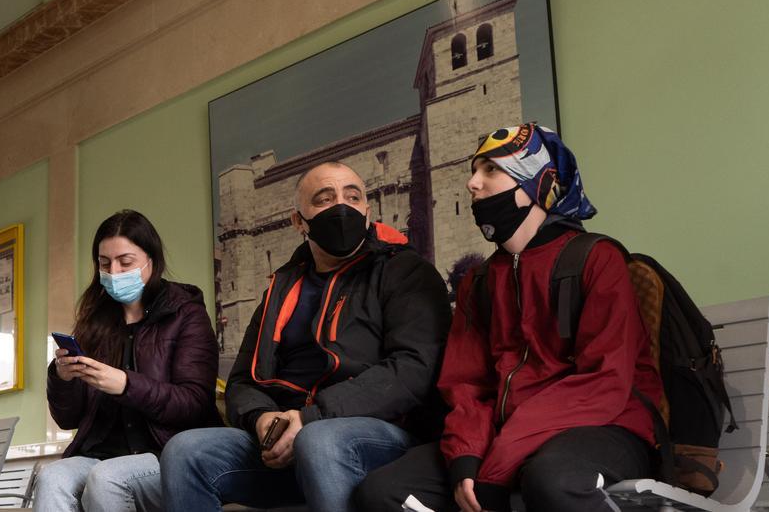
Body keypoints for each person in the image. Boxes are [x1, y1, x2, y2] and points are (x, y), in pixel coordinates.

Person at [353, 124, 664, 512]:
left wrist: (498, 464)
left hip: (605, 425)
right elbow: (466, 386)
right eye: (474, 170)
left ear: (535, 183)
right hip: (502, 435)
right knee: (383, 493)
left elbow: (604, 382)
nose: (472, 183)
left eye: (490, 170)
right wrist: (466, 458)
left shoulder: (598, 259)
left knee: (554, 482)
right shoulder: (479, 283)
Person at [161, 162, 451, 512]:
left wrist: (310, 419)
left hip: (379, 434)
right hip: (289, 432)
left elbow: (413, 370)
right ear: (299, 221)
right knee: (185, 451)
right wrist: (262, 419)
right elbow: (241, 380)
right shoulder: (280, 287)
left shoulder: (406, 272)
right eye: (324, 199)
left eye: (353, 197)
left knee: (319, 440)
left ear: (367, 211)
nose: (341, 207)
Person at [36, 210, 221, 512]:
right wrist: (62, 378)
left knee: (106, 478)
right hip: (100, 454)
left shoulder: (186, 313)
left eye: (126, 261)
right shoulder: (94, 321)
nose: (114, 272)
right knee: (51, 477)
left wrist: (124, 384)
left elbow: (194, 403)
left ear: (151, 260)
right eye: (104, 263)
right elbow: (68, 420)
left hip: (165, 453)